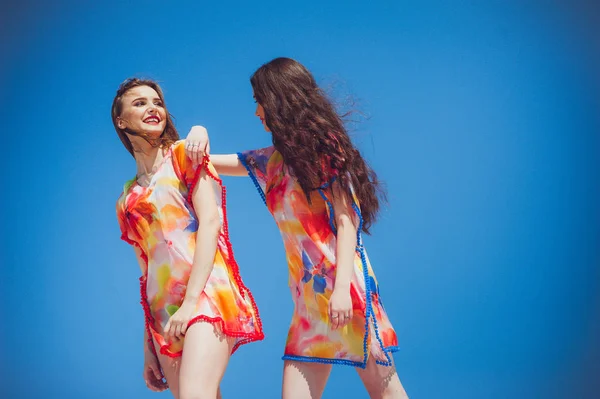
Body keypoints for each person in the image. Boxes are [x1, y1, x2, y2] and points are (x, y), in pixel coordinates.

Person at [185, 57, 408, 399]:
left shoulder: (327, 148)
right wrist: (197, 131)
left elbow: (349, 220)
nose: (256, 110)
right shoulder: (271, 161)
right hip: (308, 305)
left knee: (387, 393)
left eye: (258, 100)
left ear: (278, 98)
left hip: (345, 290)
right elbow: (203, 159)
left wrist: (342, 288)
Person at [112, 78, 263, 399]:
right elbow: (147, 273)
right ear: (121, 121)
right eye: (139, 103)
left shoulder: (184, 156)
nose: (152, 108)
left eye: (157, 102)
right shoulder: (127, 201)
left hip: (206, 294)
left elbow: (211, 222)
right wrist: (148, 345)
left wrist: (192, 301)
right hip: (164, 317)